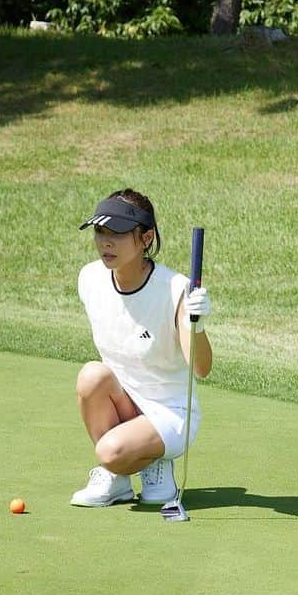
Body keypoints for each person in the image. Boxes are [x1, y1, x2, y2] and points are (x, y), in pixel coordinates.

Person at [70, 188, 212, 507]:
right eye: (100, 231)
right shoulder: (90, 279)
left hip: (170, 415)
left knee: (109, 451)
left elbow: (201, 369)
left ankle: (155, 461)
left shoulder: (174, 289)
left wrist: (197, 324)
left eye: (117, 233)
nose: (106, 242)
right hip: (126, 403)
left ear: (146, 238)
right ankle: (117, 480)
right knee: (91, 375)